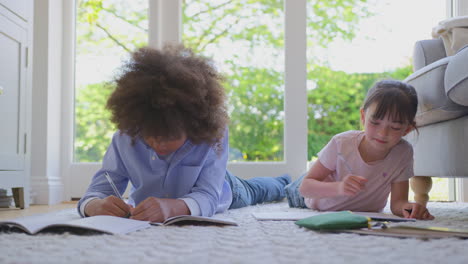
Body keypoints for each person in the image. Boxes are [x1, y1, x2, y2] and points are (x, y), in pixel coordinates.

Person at [77, 44, 291, 222]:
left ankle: (284, 182)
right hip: (158, 206)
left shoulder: (213, 133)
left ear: (195, 125)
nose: (159, 145)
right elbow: (99, 189)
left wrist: (175, 208)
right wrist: (94, 205)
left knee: (257, 190)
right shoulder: (126, 137)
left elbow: (208, 194)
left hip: (224, 189)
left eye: (170, 136)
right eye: (150, 136)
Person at [285, 79, 434, 220]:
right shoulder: (341, 143)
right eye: (375, 122)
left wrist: (409, 209)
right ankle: (281, 181)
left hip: (342, 198)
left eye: (395, 127)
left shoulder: (403, 153)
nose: (382, 133)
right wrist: (340, 188)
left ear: (407, 129)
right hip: (307, 195)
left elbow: (397, 204)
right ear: (363, 117)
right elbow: (305, 188)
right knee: (278, 189)